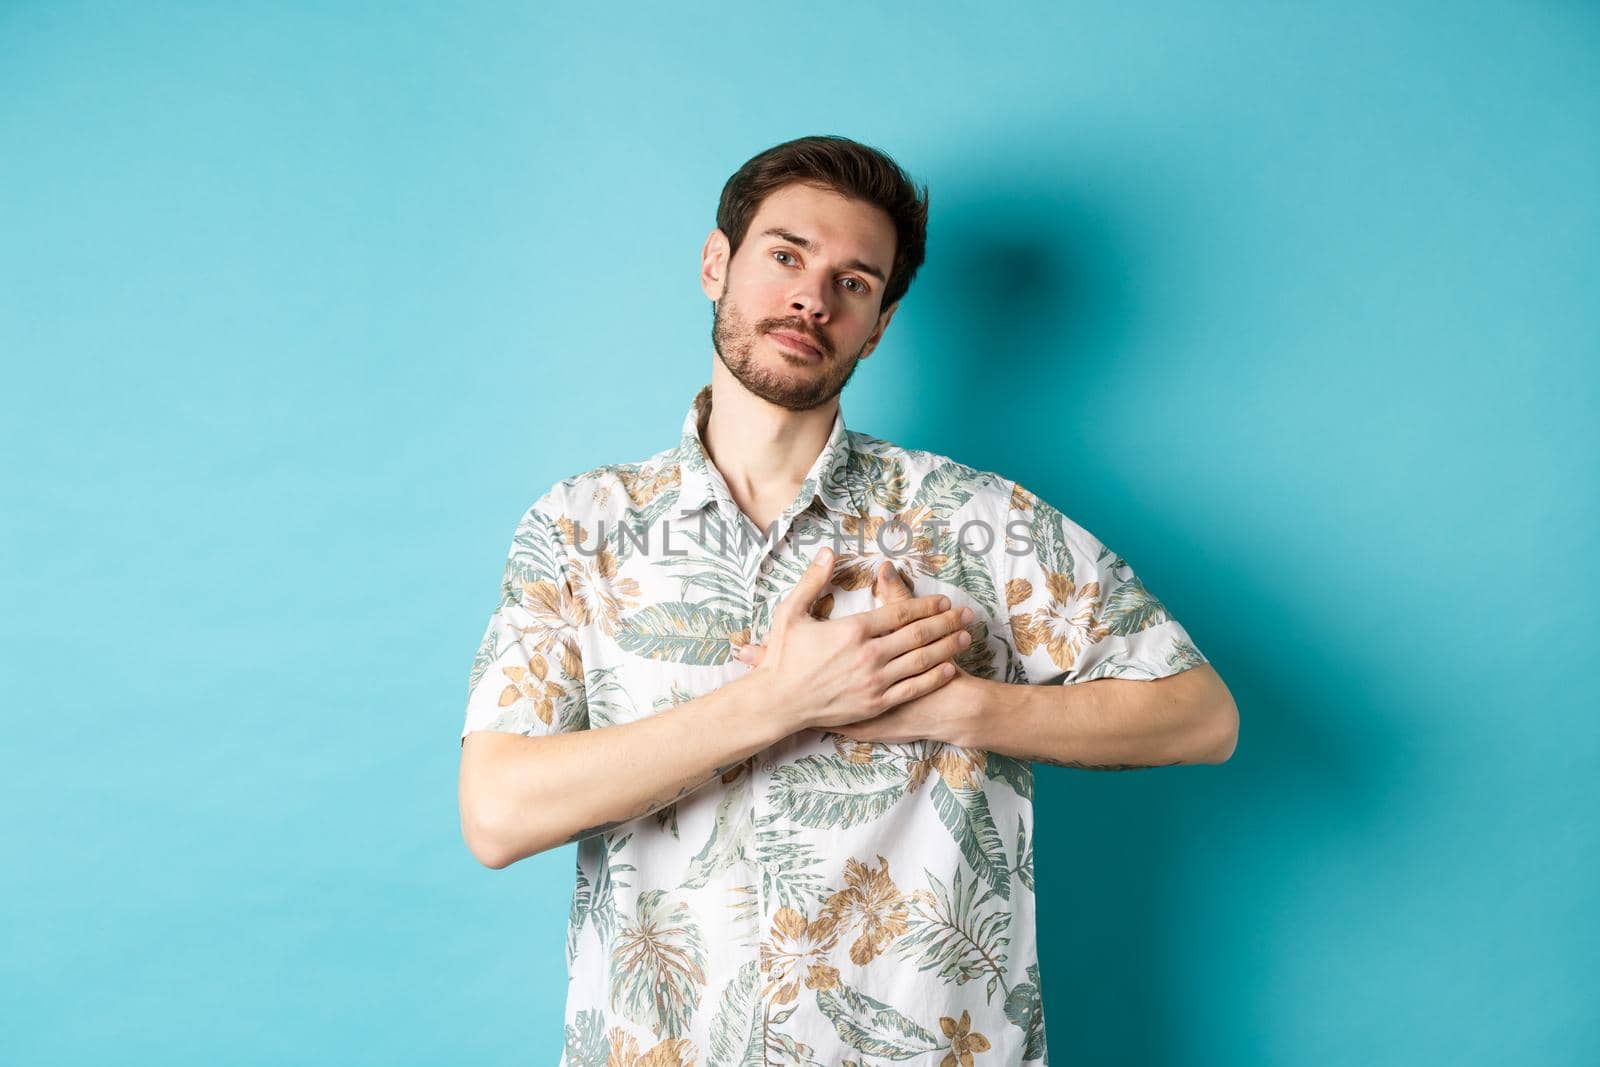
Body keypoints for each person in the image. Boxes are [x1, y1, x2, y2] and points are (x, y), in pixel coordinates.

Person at [458, 134, 1238, 1066]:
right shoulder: (582, 524)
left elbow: (1202, 717)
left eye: (854, 282)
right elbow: (497, 812)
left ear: (881, 323)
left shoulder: (977, 519)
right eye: (786, 256)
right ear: (717, 264)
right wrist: (782, 699)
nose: (811, 298)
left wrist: (958, 708)